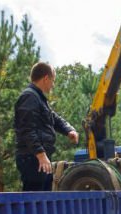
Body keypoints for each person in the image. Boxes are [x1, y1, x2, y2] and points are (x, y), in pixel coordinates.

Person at [14, 62, 78, 191]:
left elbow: (54, 118)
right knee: (35, 202)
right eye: (53, 80)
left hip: (40, 158)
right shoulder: (29, 96)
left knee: (44, 200)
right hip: (32, 158)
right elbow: (27, 130)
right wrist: (40, 155)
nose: (52, 85)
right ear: (46, 78)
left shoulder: (38, 98)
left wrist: (69, 130)